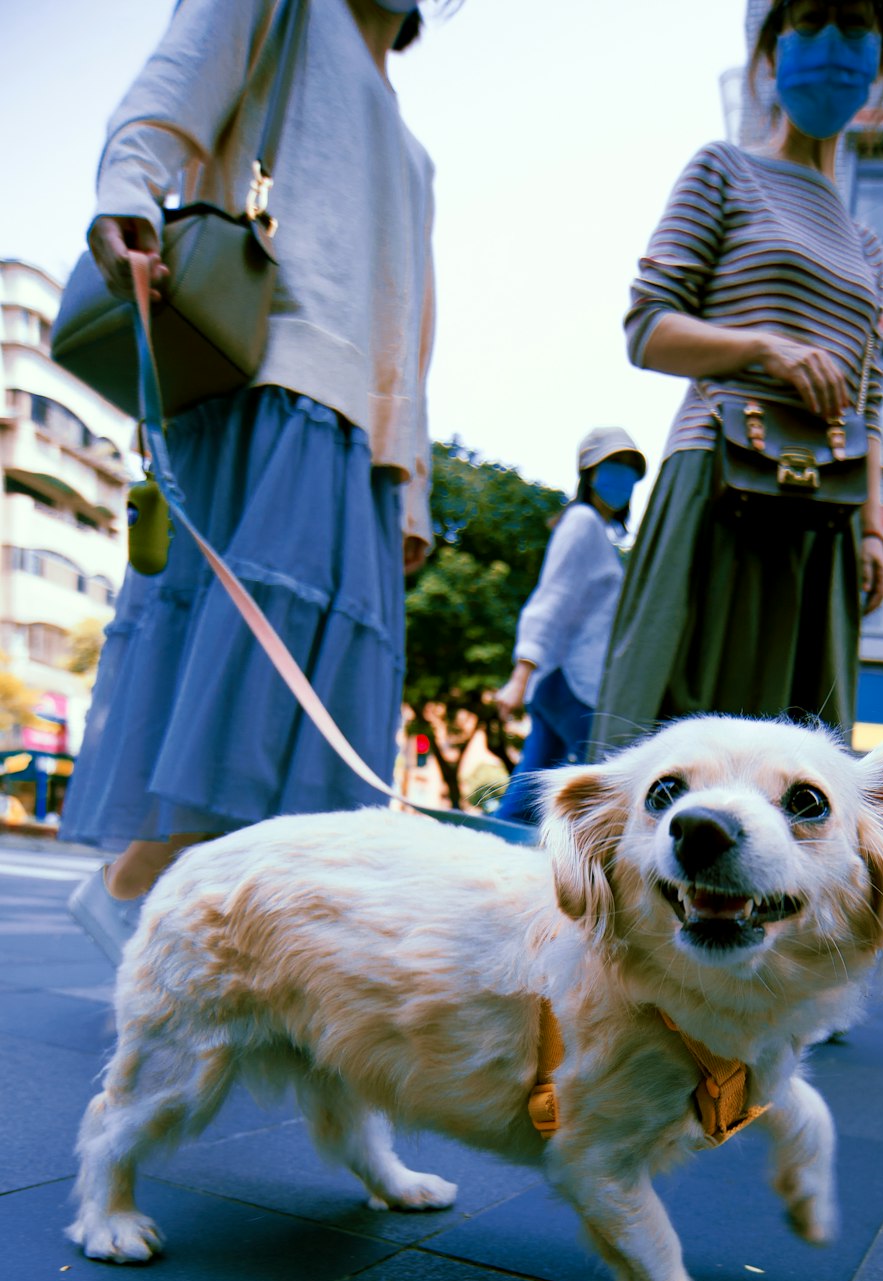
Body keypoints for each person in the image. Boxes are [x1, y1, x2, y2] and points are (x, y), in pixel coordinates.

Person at [62, 0, 450, 962]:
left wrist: (409, 480)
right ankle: (134, 888)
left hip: (362, 430)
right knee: (251, 679)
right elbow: (165, 93)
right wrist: (128, 195)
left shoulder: (414, 148)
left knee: (304, 703)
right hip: (266, 369)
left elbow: (416, 323)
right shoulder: (284, 8)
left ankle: (208, 931)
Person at [591, 0, 883, 758]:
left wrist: (876, 531)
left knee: (793, 758)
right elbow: (647, 329)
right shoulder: (724, 168)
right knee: (673, 731)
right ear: (772, 51)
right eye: (810, 19)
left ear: (882, 59)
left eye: (856, 24)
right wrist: (764, 348)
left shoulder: (866, 245)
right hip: (719, 488)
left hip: (822, 514)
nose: (832, 44)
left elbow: (871, 399)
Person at [493, 428, 646, 824]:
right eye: (613, 466)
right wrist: (519, 676)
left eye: (631, 469)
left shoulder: (598, 533)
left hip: (563, 681)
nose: (622, 477)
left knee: (533, 787)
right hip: (569, 682)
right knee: (605, 785)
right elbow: (552, 598)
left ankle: (493, 853)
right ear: (590, 473)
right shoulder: (581, 522)